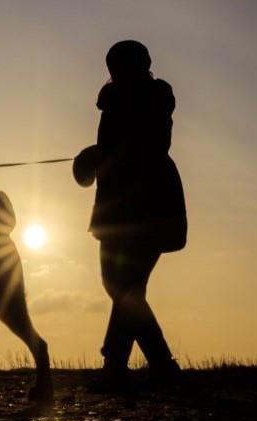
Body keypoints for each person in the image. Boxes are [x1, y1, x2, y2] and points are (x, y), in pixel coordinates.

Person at [81, 40, 187, 389]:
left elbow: (153, 143)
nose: (117, 70)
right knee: (122, 286)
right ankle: (155, 366)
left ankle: (121, 367)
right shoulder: (111, 103)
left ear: (142, 65)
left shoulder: (156, 95)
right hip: (116, 207)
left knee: (125, 286)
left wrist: (101, 154)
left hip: (150, 204)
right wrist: (97, 157)